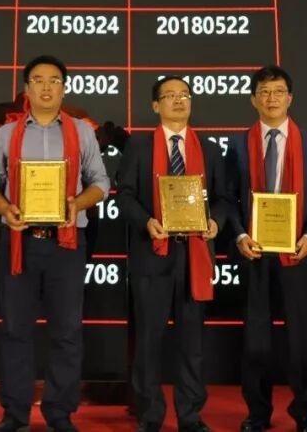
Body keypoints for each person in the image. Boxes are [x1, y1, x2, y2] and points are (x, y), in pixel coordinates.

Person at [0, 55, 110, 432]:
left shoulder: (81, 132)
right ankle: (14, 414)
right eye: (38, 80)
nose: (47, 87)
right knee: (15, 330)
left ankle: (59, 413)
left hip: (66, 243)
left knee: (66, 332)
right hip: (19, 241)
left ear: (63, 88)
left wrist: (77, 204)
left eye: (54, 80)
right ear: (27, 89)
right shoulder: (8, 133)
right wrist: (5, 207)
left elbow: (101, 182)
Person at [116, 76, 229, 432]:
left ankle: (190, 415)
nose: (179, 101)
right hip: (152, 253)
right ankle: (150, 415)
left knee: (192, 342)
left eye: (184, 95)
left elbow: (224, 198)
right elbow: (125, 195)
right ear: (156, 105)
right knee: (149, 342)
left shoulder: (208, 149)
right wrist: (146, 221)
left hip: (194, 256)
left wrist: (216, 222)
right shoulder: (139, 146)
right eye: (170, 95)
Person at [225, 66, 307, 432]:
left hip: (298, 254)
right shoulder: (239, 144)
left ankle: (304, 412)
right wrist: (240, 236)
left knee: (302, 339)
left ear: (290, 98)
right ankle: (257, 413)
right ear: (253, 100)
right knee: (256, 341)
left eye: (278, 91)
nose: (271, 98)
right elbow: (228, 199)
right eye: (264, 92)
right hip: (254, 254)